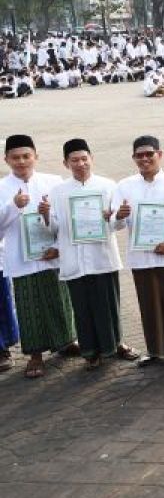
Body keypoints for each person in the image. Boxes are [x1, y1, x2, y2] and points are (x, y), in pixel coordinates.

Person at [46, 138, 139, 370]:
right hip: (74, 259)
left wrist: (117, 216)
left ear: (92, 159)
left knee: (108, 304)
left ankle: (115, 344)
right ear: (65, 163)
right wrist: (46, 215)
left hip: (102, 257)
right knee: (82, 307)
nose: (80, 164)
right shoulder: (57, 191)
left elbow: (117, 225)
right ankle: (90, 352)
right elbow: (54, 228)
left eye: (84, 158)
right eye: (74, 160)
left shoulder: (108, 186)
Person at [0, 134, 78, 378]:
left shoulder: (53, 182)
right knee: (29, 306)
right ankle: (35, 355)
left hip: (51, 254)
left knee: (59, 299)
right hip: (21, 258)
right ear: (6, 159)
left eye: (26, 156)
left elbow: (65, 219)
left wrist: (59, 245)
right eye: (15, 157)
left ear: (36, 156)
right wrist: (13, 206)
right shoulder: (2, 188)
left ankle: (65, 341)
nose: (21, 161)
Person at [113, 135, 164, 365]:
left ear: (160, 155)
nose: (145, 159)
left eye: (150, 154)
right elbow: (115, 224)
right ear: (134, 158)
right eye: (140, 155)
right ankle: (156, 350)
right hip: (141, 256)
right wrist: (119, 216)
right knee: (149, 304)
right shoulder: (124, 186)